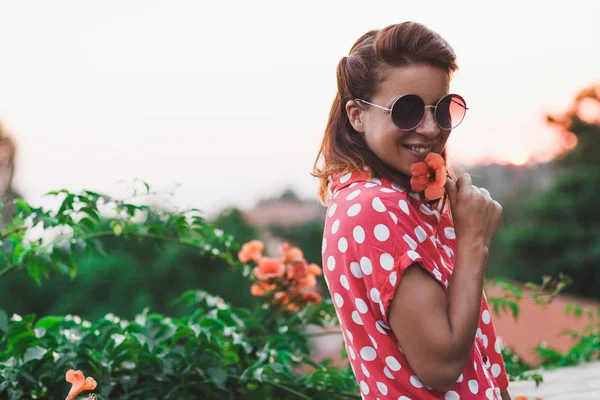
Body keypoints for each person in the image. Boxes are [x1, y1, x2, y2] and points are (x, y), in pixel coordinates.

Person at [312, 22, 510, 399]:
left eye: (442, 109)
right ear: (356, 116)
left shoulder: (390, 200)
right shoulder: (373, 209)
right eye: (406, 110)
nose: (431, 128)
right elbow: (442, 366)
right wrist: (474, 241)